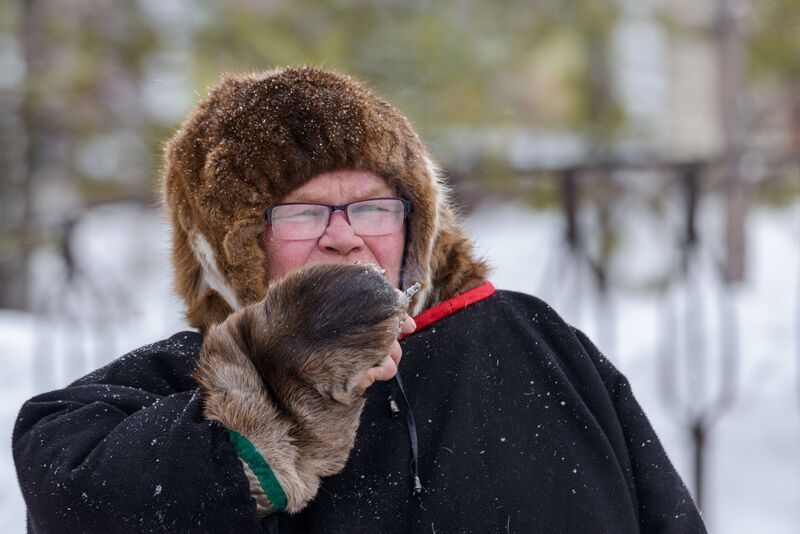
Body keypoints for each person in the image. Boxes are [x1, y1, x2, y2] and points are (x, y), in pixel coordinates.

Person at [13, 66, 706, 533]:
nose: (345, 238)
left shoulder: (532, 339)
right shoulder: (188, 380)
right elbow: (66, 478)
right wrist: (272, 395)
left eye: (373, 206)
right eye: (304, 212)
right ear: (225, 245)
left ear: (416, 220)